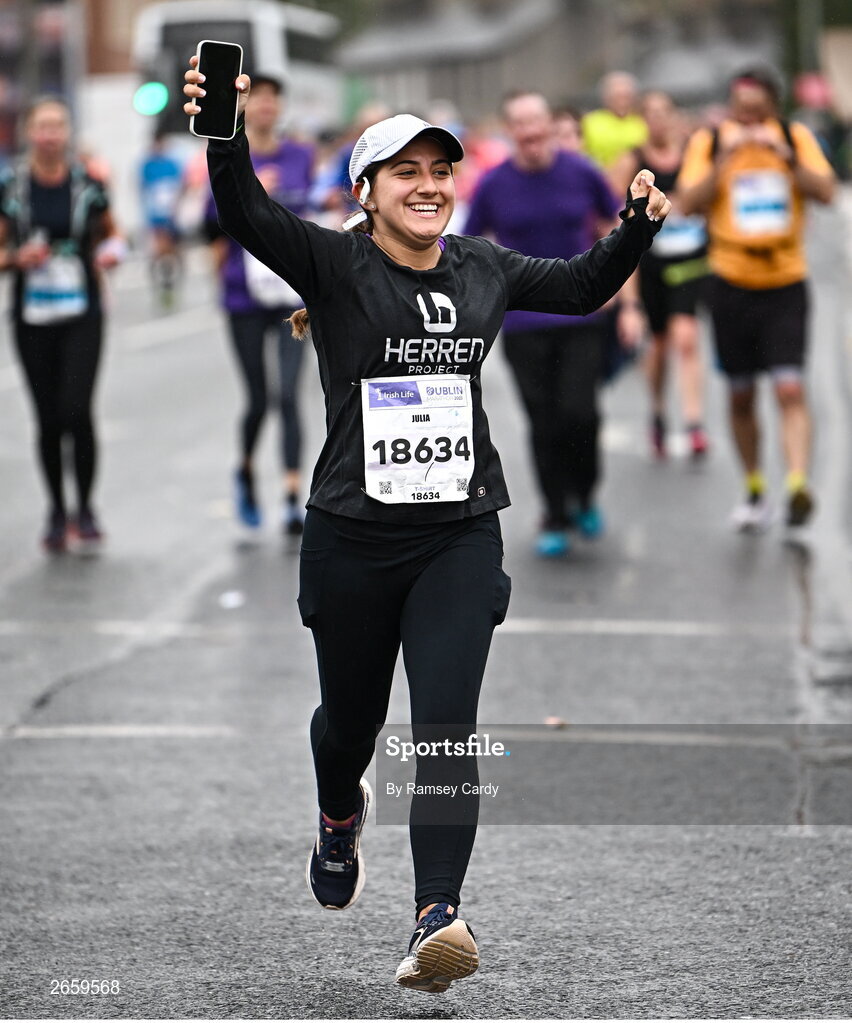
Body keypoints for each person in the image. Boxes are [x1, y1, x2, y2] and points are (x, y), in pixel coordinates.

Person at [184, 60, 669, 992]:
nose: (429, 186)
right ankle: (337, 811)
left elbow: (577, 287)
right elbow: (245, 212)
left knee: (446, 725)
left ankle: (437, 914)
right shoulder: (333, 262)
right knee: (352, 724)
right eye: (405, 172)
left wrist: (637, 227)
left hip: (457, 534)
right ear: (366, 194)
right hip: (352, 537)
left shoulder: (482, 266)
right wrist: (225, 131)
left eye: (440, 170)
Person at [464, 90, 640, 557]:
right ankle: (555, 512)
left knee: (580, 413)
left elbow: (618, 232)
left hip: (584, 313)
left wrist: (630, 304)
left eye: (536, 121)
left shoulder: (582, 173)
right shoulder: (493, 183)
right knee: (543, 421)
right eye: (519, 123)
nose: (530, 131)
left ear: (549, 124)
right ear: (511, 130)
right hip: (523, 323)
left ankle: (584, 493)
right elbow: (467, 244)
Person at [677, 67, 836, 530]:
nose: (747, 118)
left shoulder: (794, 136)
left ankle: (797, 484)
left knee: (789, 386)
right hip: (731, 281)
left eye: (756, 108)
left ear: (772, 104)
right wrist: (724, 161)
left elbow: (825, 191)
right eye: (740, 108)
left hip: (785, 279)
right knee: (741, 394)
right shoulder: (710, 141)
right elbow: (688, 202)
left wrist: (786, 157)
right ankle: (754, 488)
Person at [0, 96, 125, 554]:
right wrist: (16, 257)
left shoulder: (88, 186)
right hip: (32, 317)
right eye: (42, 126)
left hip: (82, 313)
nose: (50, 134)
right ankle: (56, 508)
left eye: (58, 126)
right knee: (48, 418)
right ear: (29, 132)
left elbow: (115, 235)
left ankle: (85, 506)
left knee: (76, 408)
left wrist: (111, 254)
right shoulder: (10, 188)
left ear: (67, 132)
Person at [203, 74, 314, 537]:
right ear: (247, 106)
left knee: (289, 395)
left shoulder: (302, 155)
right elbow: (211, 221)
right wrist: (251, 189)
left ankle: (292, 496)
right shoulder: (236, 156)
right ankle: (246, 472)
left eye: (274, 100)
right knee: (258, 399)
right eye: (259, 99)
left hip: (290, 293)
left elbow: (309, 211)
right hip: (243, 295)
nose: (266, 107)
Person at [612, 91, 710, 460]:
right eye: (648, 113)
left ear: (674, 116)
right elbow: (617, 216)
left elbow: (709, 196)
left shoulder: (693, 156)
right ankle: (657, 410)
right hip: (650, 262)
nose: (657, 119)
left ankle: (694, 422)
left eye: (663, 112)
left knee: (686, 336)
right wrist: (627, 298)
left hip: (689, 259)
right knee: (658, 347)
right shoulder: (632, 162)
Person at [139, 128, 185, 309]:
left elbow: (181, 185)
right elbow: (143, 189)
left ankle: (174, 284)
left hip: (173, 216)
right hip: (156, 217)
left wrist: (177, 207)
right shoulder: (147, 165)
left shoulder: (172, 163)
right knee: (158, 253)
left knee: (176, 253)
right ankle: (161, 286)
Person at [582, 71, 649, 175]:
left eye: (626, 96)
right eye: (617, 96)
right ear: (606, 98)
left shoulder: (643, 123)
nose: (622, 102)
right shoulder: (590, 122)